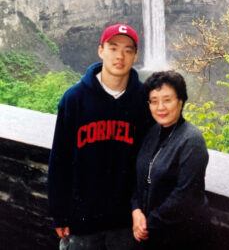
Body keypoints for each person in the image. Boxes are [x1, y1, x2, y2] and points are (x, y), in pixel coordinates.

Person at [48, 23, 150, 250]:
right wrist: (58, 213)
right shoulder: (74, 99)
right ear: (100, 50)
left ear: (135, 55)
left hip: (126, 223)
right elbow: (59, 159)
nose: (120, 56)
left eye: (128, 50)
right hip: (81, 221)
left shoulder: (144, 101)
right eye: (113, 48)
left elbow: (150, 161)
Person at [132, 71, 210, 250]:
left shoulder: (192, 140)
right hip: (149, 232)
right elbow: (138, 177)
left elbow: (185, 195)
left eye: (167, 100)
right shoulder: (151, 133)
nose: (160, 107)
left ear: (181, 101)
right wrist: (135, 210)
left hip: (180, 237)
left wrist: (146, 224)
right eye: (154, 101)